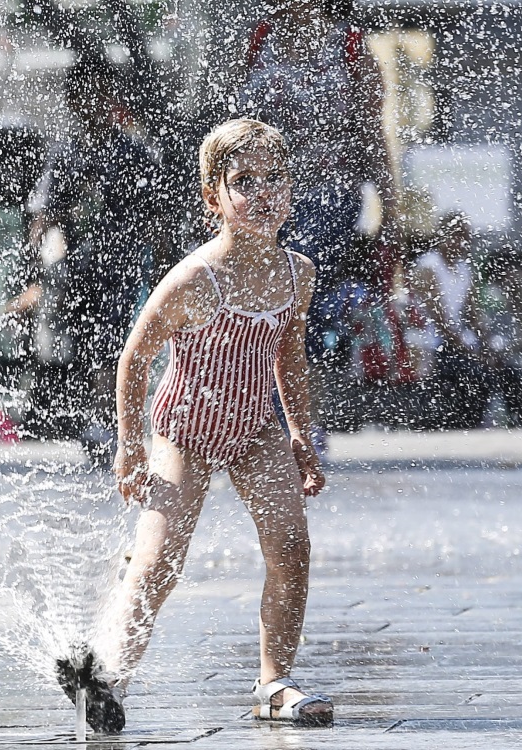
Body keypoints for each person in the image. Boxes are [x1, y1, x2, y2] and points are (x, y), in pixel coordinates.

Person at [54, 119, 329, 733]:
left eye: (275, 180)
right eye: (244, 182)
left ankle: (273, 683)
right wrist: (129, 447)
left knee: (292, 550)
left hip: (255, 427)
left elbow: (289, 354)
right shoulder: (196, 277)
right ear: (214, 198)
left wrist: (301, 435)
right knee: (160, 563)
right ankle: (106, 679)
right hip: (185, 428)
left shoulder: (296, 273)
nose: (264, 195)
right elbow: (135, 356)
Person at [234, 0, 397, 372]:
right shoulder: (260, 39)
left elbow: (373, 135)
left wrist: (389, 205)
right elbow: (232, 128)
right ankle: (267, 407)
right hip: (265, 196)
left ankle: (303, 408)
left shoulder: (350, 46)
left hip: (329, 195)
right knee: (259, 297)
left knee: (301, 294)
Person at [19, 60, 162, 464]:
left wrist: (162, 266)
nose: (94, 104)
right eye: (84, 97)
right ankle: (96, 419)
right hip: (77, 272)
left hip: (123, 268)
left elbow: (155, 216)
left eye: (101, 95)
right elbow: (44, 214)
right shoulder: (65, 153)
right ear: (72, 102)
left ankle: (117, 422)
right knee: (85, 348)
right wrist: (41, 251)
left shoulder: (132, 152)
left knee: (119, 346)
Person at [409, 212, 488, 429]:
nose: (460, 242)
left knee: (496, 364)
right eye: (456, 235)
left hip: (451, 337)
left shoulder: (464, 269)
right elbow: (439, 319)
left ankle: (474, 419)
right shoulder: (428, 266)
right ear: (443, 236)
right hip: (429, 338)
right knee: (466, 364)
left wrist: (487, 343)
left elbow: (473, 313)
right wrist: (470, 350)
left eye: (465, 237)